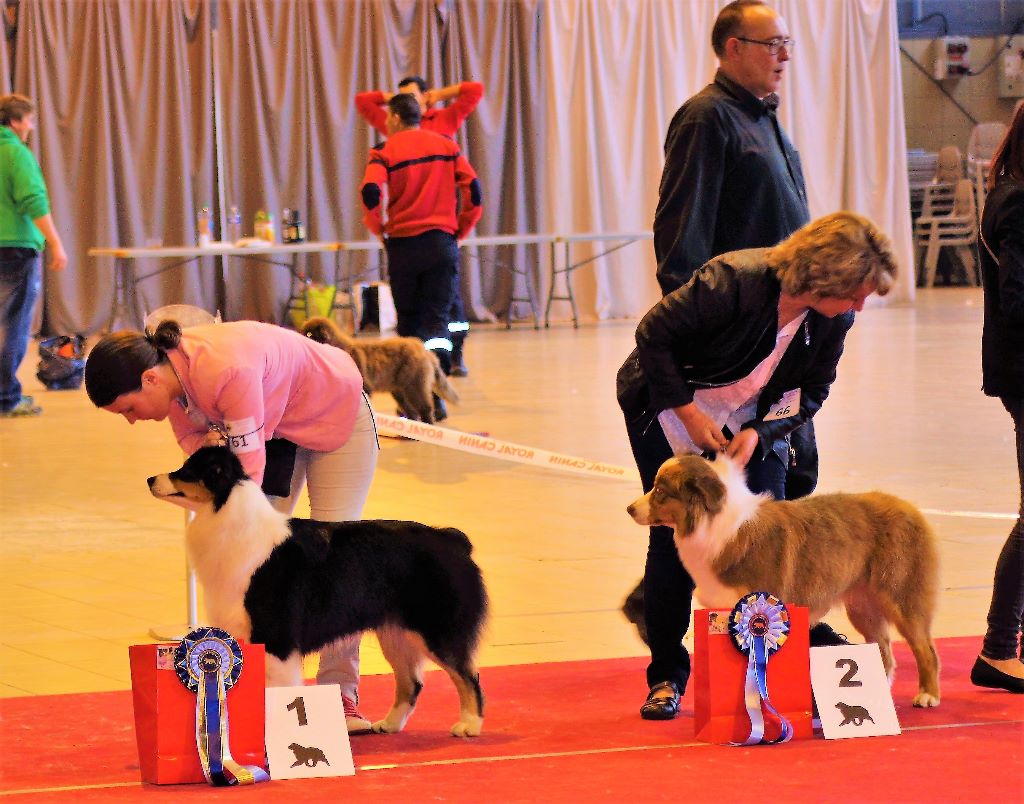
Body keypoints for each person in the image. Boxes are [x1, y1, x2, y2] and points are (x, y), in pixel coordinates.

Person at [616, 212, 897, 720]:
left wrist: (761, 432)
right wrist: (688, 411)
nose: (859, 305)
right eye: (856, 292)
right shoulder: (731, 281)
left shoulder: (834, 319)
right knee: (674, 538)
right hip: (670, 407)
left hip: (748, 423)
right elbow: (652, 337)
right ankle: (665, 676)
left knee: (772, 535)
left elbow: (813, 389)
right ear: (825, 276)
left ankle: (773, 678)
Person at [620, 0, 818, 649]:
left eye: (787, 43)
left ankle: (776, 637)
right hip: (720, 364)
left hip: (773, 349)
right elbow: (682, 239)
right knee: (697, 511)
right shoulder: (708, 118)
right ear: (732, 47)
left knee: (786, 490)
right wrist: (702, 373)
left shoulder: (765, 121)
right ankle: (667, 657)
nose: (784, 54)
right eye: (773, 43)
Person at [84, 319, 382, 732]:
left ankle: (341, 694)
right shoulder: (173, 388)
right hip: (275, 429)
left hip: (336, 413)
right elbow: (200, 455)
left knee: (335, 559)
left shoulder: (225, 370)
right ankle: (257, 690)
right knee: (256, 576)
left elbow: (244, 482)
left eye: (128, 409)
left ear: (149, 378)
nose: (132, 421)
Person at [359, 93, 482, 421]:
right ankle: (435, 394)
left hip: (403, 246)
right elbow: (475, 189)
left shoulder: (384, 151)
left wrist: (379, 230)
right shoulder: (447, 145)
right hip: (441, 243)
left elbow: (371, 192)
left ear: (396, 118)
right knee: (437, 322)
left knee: (409, 323)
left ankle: (412, 399)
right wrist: (461, 228)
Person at [973, 102, 1024, 694]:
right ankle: (997, 648)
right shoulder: (1018, 201)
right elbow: (1020, 300)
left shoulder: (1012, 192)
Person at [0, 93, 68, 418]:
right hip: (14, 247)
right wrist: (55, 242)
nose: (30, 126)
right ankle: (6, 398)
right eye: (28, 119)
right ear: (15, 122)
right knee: (12, 323)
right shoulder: (15, 153)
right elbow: (34, 201)